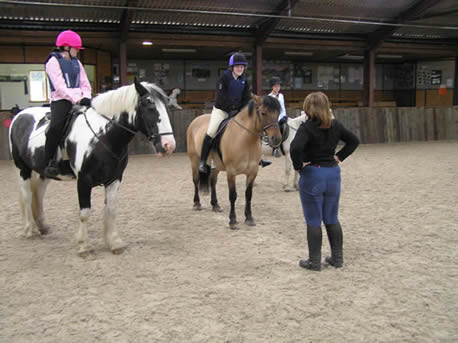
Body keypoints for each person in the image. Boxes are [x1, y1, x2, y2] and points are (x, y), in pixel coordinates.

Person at [290, 92, 359, 271]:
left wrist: (299, 167)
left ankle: (314, 261)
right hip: (333, 174)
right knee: (332, 218)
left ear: (308, 107)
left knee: (313, 219)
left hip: (313, 175)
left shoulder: (307, 127)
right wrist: (339, 157)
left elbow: (295, 147)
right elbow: (354, 141)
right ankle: (337, 258)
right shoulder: (335, 125)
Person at [199, 52, 271, 173]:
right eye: (237, 66)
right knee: (212, 131)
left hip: (237, 111)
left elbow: (246, 98)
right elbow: (221, 97)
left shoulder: (244, 80)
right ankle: (203, 160)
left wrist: (242, 110)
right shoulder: (224, 77)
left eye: (242, 66)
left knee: (253, 128)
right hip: (221, 110)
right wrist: (231, 109)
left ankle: (257, 157)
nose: (240, 68)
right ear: (232, 67)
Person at [43, 30, 92, 178]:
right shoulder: (53, 62)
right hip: (61, 100)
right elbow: (60, 86)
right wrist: (76, 99)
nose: (78, 51)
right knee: (56, 127)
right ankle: (49, 161)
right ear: (66, 47)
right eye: (76, 48)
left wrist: (87, 97)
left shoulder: (77, 63)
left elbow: (85, 83)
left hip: (80, 100)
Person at [268, 76, 288, 157]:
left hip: (282, 116)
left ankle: (283, 145)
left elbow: (283, 107)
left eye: (279, 86)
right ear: (272, 87)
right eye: (276, 86)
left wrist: (285, 116)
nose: (277, 88)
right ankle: (275, 148)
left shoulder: (281, 96)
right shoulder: (269, 97)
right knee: (277, 129)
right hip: (273, 118)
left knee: (286, 128)